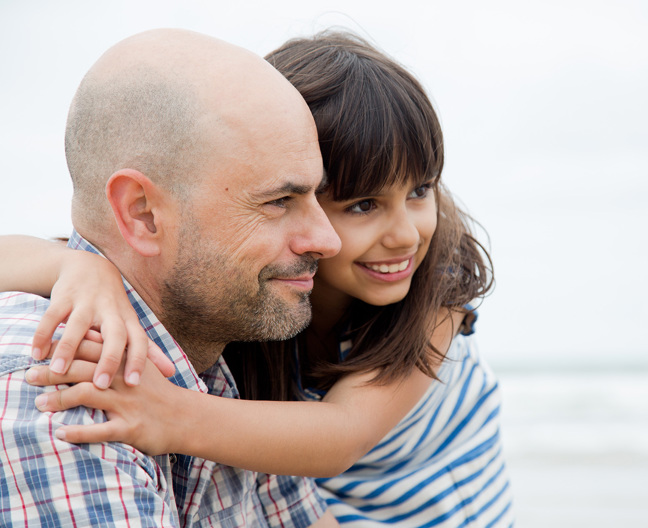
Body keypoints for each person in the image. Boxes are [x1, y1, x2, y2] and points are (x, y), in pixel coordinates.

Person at [3, 31, 514, 526]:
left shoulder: (433, 294)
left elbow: (342, 434)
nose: (405, 235)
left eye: (421, 190)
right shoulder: (231, 317)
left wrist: (174, 414)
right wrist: (77, 266)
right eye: (361, 205)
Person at [0, 28, 342, 527]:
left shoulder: (215, 374)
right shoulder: (60, 391)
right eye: (278, 202)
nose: (326, 240)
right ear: (143, 214)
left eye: (317, 196)